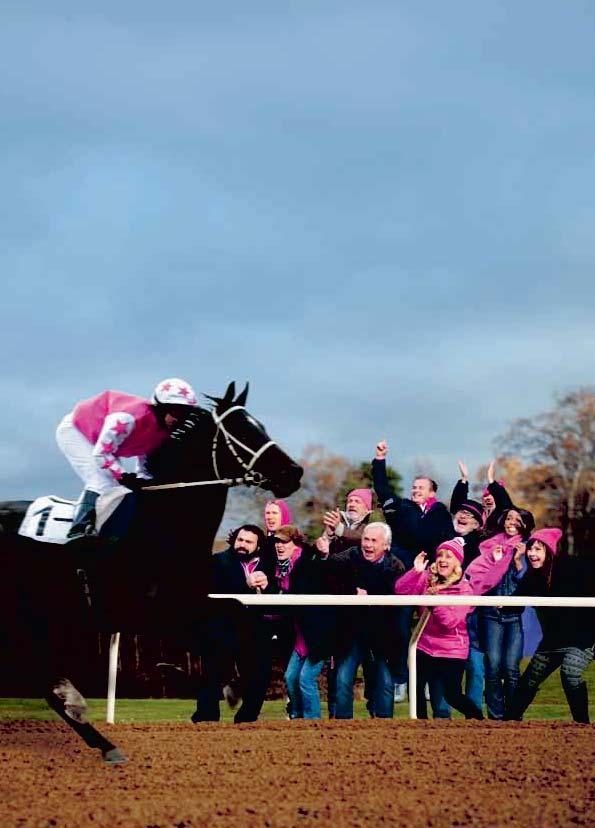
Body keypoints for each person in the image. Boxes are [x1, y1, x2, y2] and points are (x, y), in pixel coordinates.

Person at [56, 378, 199, 538]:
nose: (180, 419)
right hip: (76, 430)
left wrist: (142, 479)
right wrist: (123, 475)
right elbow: (101, 455)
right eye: (177, 413)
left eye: (186, 414)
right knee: (102, 482)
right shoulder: (127, 419)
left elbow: (144, 457)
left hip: (101, 442)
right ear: (161, 407)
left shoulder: (163, 430)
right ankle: (79, 529)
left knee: (119, 488)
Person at [479, 527, 594, 724]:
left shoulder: (572, 568)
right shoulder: (532, 577)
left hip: (583, 638)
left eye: (538, 549)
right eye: (530, 548)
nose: (532, 554)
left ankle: (582, 726)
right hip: (553, 640)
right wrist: (502, 604)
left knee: (570, 672)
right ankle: (510, 723)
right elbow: (515, 603)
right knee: (529, 681)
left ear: (549, 551)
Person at [372, 441, 453, 705]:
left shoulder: (440, 511)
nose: (415, 490)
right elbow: (382, 489)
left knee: (432, 631)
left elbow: (449, 540)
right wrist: (380, 460)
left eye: (421, 487)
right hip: (405, 578)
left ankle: (429, 682)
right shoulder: (401, 508)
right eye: (414, 487)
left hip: (432, 579)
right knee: (398, 628)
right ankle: (401, 678)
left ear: (432, 492)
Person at [395, 536, 506, 720]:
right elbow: (400, 591)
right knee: (416, 689)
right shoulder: (427, 578)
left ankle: (478, 721)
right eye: (440, 555)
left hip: (452, 650)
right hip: (424, 646)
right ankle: (421, 732)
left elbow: (450, 622)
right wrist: (416, 571)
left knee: (451, 695)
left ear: (457, 563)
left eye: (448, 556)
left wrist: (434, 601)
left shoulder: (464, 589)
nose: (443, 560)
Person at [191, 524, 276, 724]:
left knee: (260, 676)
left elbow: (276, 593)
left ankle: (246, 720)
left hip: (255, 630)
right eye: (240, 540)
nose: (242, 545)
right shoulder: (217, 561)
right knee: (212, 674)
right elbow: (212, 590)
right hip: (221, 628)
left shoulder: (268, 564)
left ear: (258, 546)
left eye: (248, 542)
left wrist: (267, 586)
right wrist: (245, 585)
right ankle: (205, 719)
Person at [320, 522, 405, 719]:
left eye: (374, 541)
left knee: (384, 683)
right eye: (366, 539)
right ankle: (342, 727)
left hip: (382, 635)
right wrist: (351, 590)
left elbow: (395, 598)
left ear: (386, 545)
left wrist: (369, 595)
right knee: (342, 679)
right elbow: (328, 575)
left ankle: (385, 727)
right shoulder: (349, 556)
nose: (368, 544)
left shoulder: (395, 565)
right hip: (351, 632)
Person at [474, 507, 535, 720]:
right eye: (508, 518)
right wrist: (497, 560)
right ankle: (495, 717)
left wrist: (518, 561)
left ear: (524, 524)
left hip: (515, 616)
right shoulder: (491, 545)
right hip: (490, 614)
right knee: (492, 666)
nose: (511, 522)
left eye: (517, 519)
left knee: (511, 668)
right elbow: (482, 579)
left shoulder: (529, 548)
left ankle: (514, 715)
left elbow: (527, 584)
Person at [272, 524, 334, 720]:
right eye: (277, 542)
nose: (279, 546)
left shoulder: (308, 561)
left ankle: (312, 721)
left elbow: (324, 576)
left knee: (305, 679)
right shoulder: (281, 566)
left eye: (284, 542)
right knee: (291, 678)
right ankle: (297, 717)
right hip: (301, 635)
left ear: (295, 543)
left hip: (319, 634)